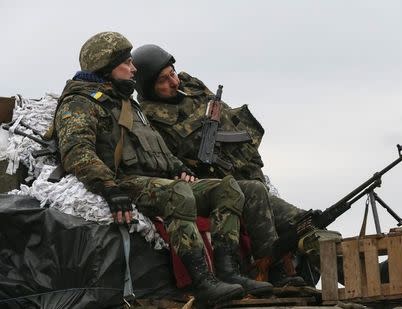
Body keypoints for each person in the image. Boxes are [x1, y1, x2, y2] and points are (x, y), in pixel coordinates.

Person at [53, 32, 272, 305]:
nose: (134, 69)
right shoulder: (81, 102)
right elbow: (77, 152)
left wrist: (177, 165)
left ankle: (229, 272)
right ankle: (202, 282)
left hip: (159, 180)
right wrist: (108, 188)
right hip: (127, 182)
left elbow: (152, 146)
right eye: (126, 63)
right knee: (178, 193)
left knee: (226, 188)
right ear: (105, 67)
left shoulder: (127, 102)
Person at [132, 44, 328, 286]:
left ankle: (351, 274)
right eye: (163, 80)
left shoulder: (189, 85)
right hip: (215, 186)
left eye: (172, 73)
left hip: (245, 174)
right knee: (260, 196)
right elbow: (167, 162)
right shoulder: (149, 118)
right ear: (147, 86)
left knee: (306, 222)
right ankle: (275, 271)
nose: (173, 82)